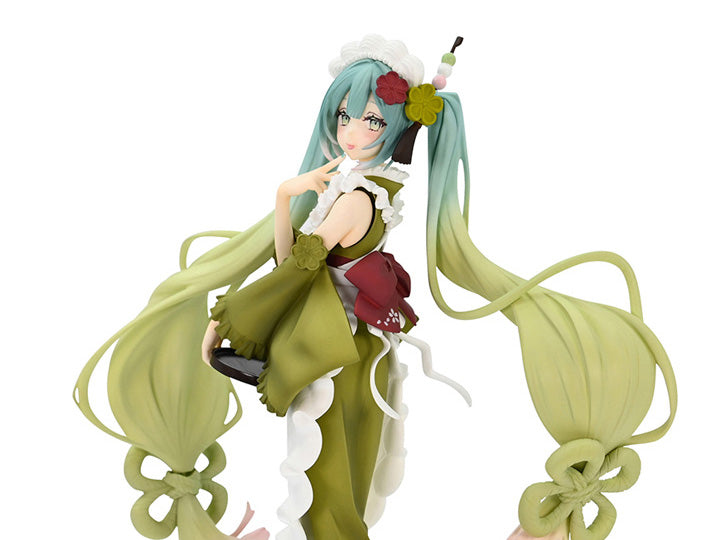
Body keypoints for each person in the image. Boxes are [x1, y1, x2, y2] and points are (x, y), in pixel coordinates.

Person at [75, 35, 677, 540]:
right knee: (329, 477)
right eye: (345, 116)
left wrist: (230, 321)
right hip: (342, 345)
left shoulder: (358, 197)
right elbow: (294, 259)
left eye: (371, 120)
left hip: (333, 352)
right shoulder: (359, 186)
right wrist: (285, 197)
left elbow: (295, 269)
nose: (353, 131)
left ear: (395, 128)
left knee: (327, 485)